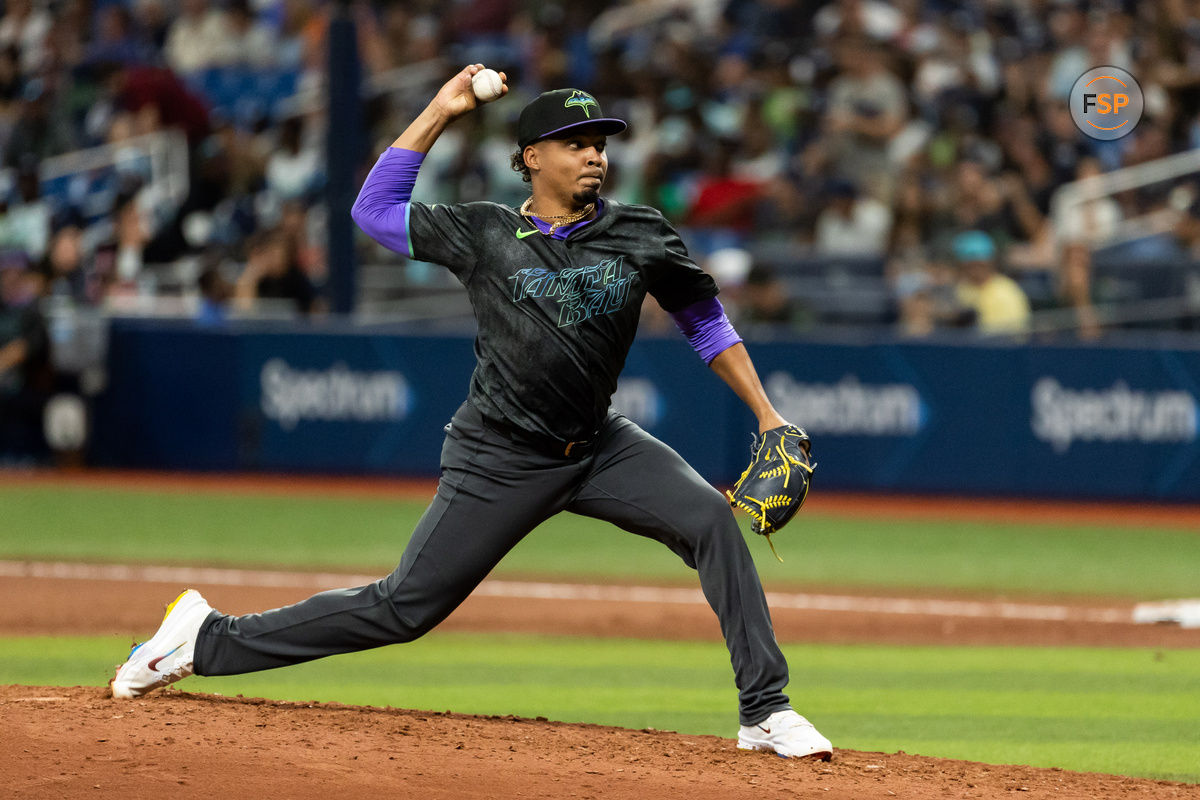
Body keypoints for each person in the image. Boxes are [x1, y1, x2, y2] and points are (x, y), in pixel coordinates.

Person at [111, 65, 833, 762]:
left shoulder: (640, 232)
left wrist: (767, 414)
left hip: (598, 447)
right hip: (499, 455)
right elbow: (371, 213)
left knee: (710, 521)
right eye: (578, 143)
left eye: (601, 144)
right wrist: (442, 111)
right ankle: (202, 640)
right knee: (403, 608)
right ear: (532, 157)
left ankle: (765, 711)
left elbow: (705, 323)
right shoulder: (484, 232)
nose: (595, 155)